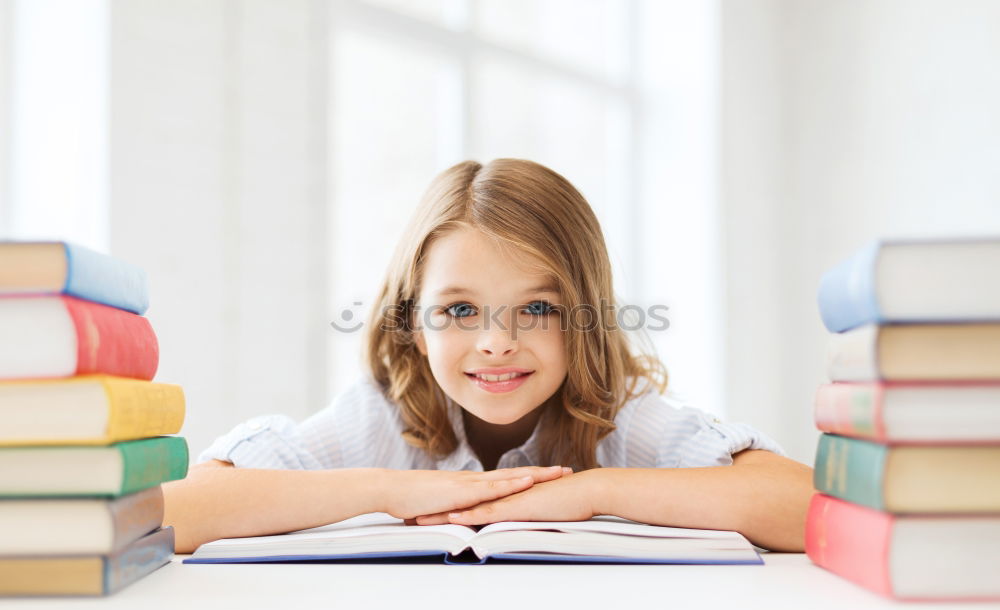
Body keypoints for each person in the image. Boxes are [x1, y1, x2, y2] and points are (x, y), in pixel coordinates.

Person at [163, 159, 814, 554]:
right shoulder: (382, 418)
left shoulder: (621, 420)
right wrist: (391, 490)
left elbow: (803, 504)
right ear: (415, 325)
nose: (497, 342)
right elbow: (174, 509)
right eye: (459, 311)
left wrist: (589, 493)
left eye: (538, 308)